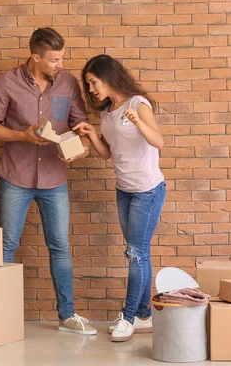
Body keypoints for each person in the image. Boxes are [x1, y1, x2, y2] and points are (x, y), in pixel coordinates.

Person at [0, 27, 97, 335]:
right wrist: (22, 135)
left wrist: (82, 149)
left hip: (54, 179)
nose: (61, 64)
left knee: (59, 245)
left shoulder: (69, 83)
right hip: (16, 176)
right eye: (54, 59)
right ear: (36, 57)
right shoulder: (7, 82)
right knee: (7, 244)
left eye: (62, 58)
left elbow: (78, 124)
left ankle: (67, 316)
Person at [73, 54, 166, 342]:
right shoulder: (108, 113)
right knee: (139, 252)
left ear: (108, 77)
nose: (91, 90)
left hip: (147, 191)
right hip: (124, 190)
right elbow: (107, 153)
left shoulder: (138, 104)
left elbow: (158, 141)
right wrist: (91, 133)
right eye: (88, 85)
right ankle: (143, 315)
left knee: (135, 254)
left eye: (93, 82)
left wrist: (138, 122)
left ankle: (127, 317)